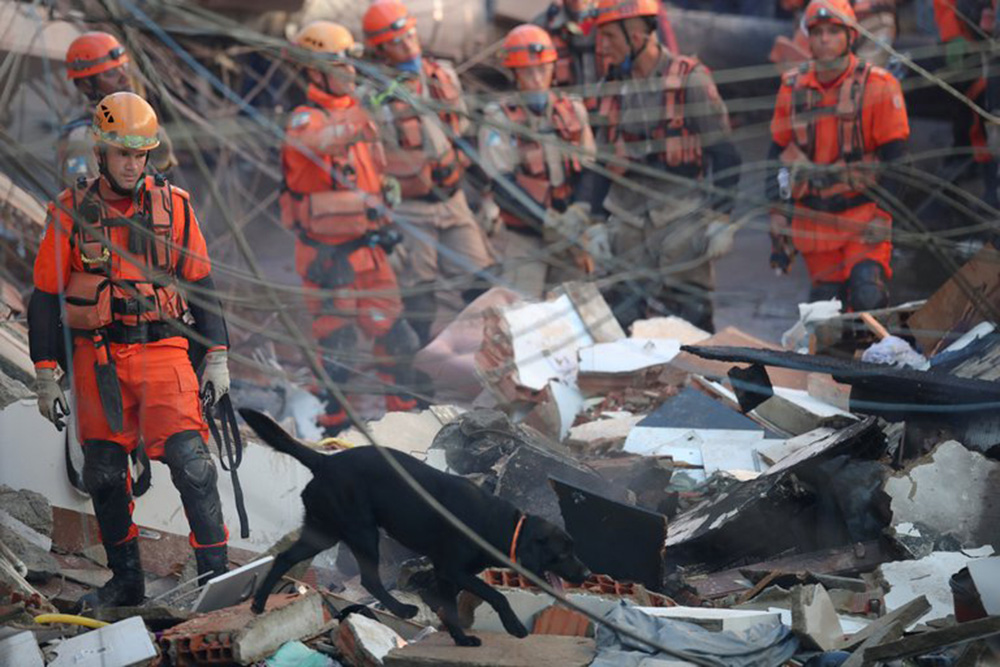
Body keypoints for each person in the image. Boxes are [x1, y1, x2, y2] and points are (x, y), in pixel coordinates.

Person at [29, 92, 230, 608]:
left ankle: (216, 580)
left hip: (163, 351)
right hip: (97, 361)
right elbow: (46, 296)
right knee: (101, 472)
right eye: (123, 153)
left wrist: (218, 356)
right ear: (100, 151)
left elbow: (203, 286)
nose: (133, 164)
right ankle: (126, 581)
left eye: (141, 154)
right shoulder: (69, 212)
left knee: (192, 465)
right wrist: (46, 373)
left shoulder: (175, 208)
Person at [281, 21, 419, 435]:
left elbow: (365, 164)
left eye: (351, 65)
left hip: (369, 250)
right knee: (338, 351)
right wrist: (366, 110)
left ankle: (405, 425)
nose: (352, 73)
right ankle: (330, 430)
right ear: (315, 70)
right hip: (328, 256)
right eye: (341, 65)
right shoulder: (305, 120)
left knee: (398, 341)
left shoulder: (356, 116)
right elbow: (322, 141)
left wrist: (385, 187)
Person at [591, 0, 742, 332]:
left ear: (636, 35)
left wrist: (721, 218)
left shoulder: (690, 80)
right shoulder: (611, 88)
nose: (602, 47)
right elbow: (601, 164)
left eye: (609, 37)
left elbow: (725, 155)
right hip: (629, 223)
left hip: (681, 220)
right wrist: (594, 222)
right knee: (620, 325)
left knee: (690, 325)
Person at [361, 0, 497, 345]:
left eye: (410, 35)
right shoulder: (372, 97)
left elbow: (465, 138)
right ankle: (421, 375)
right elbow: (370, 162)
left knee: (483, 283)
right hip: (411, 209)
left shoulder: (442, 76)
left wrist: (484, 196)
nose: (409, 46)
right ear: (380, 50)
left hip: (453, 200)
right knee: (419, 299)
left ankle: (494, 360)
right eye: (397, 42)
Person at [768, 0, 910, 309]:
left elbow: (898, 161)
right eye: (818, 32)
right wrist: (778, 214)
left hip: (862, 218)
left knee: (867, 295)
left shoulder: (879, 86)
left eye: (833, 32)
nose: (824, 39)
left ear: (850, 36)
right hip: (814, 224)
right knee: (825, 315)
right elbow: (776, 156)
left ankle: (880, 353)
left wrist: (884, 215)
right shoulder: (792, 88)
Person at [478, 24, 597, 298]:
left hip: (571, 231)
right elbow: (503, 185)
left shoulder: (571, 110)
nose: (537, 79)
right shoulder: (499, 119)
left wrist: (579, 211)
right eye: (527, 72)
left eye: (543, 69)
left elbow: (590, 169)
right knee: (522, 314)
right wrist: (549, 221)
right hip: (526, 237)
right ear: (514, 75)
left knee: (575, 312)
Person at [59, 32, 176, 185]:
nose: (125, 77)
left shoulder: (142, 124)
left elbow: (162, 181)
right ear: (86, 84)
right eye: (111, 73)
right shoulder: (83, 140)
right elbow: (82, 202)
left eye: (124, 67)